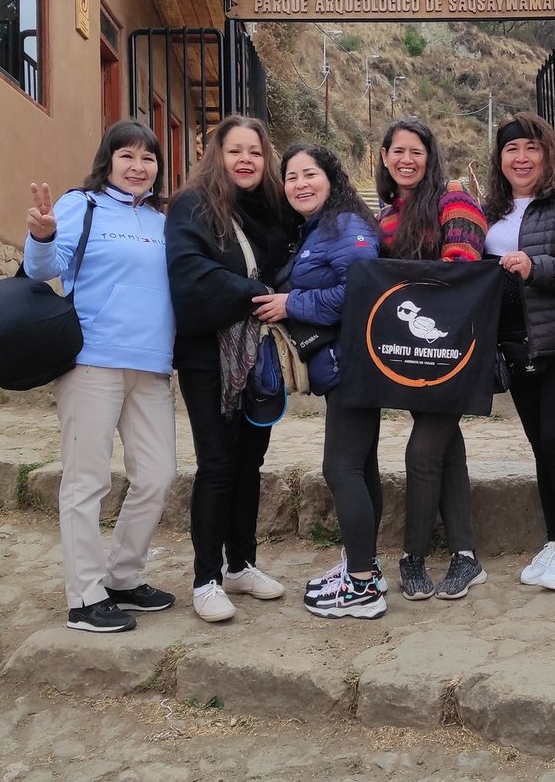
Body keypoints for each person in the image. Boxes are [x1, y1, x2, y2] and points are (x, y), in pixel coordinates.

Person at [24, 120, 177, 633]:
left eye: (148, 158)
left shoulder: (162, 219)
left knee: (157, 476)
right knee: (86, 480)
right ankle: (85, 596)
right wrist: (41, 236)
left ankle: (124, 577)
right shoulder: (80, 205)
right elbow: (42, 266)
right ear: (108, 161)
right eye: (128, 156)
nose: (139, 167)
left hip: (152, 366)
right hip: (92, 361)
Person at [166, 115, 297, 623]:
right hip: (207, 354)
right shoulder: (191, 206)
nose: (246, 160)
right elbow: (191, 273)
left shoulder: (270, 210)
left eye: (256, 152)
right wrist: (259, 294)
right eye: (236, 150)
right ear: (216, 155)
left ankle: (241, 564)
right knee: (218, 465)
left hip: (257, 352)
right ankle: (205, 578)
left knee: (250, 463)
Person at [249, 143, 386, 619]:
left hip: (355, 362)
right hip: (347, 362)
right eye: (291, 177)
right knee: (361, 466)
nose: (300, 184)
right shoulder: (320, 228)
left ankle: (363, 587)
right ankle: (362, 565)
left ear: (331, 178)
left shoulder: (346, 226)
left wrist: (290, 304)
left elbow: (362, 292)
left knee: (341, 469)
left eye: (310, 174)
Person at [482, 112, 555, 592]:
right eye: (511, 149)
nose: (522, 157)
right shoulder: (490, 210)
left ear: (548, 152)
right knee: (540, 445)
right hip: (515, 342)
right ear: (500, 158)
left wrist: (536, 267)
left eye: (531, 147)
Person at [375, 117, 488, 601]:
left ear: (430, 156)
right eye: (397, 151)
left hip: (451, 348)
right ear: (383, 158)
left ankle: (413, 556)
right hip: (412, 352)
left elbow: (462, 269)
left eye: (415, 151)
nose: (406, 159)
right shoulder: (385, 217)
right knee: (446, 445)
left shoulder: (453, 201)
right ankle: (466, 556)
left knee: (423, 450)